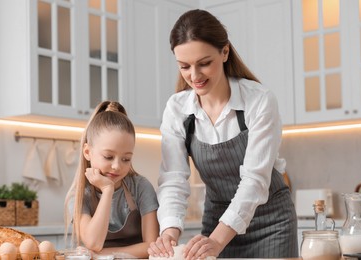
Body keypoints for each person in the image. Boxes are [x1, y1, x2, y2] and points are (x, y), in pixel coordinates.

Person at [148, 9, 298, 259]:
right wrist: (168, 235)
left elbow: (255, 181)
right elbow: (174, 179)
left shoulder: (259, 101)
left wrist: (216, 242)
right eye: (184, 66)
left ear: (225, 52)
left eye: (204, 63)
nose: (194, 76)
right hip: (216, 223)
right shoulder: (177, 110)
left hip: (271, 225)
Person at [64, 101, 159, 259]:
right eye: (108, 157)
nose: (116, 166)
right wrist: (107, 190)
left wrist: (102, 255)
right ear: (87, 152)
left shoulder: (141, 187)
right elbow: (93, 243)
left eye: (126, 159)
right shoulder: (79, 194)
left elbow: (152, 245)